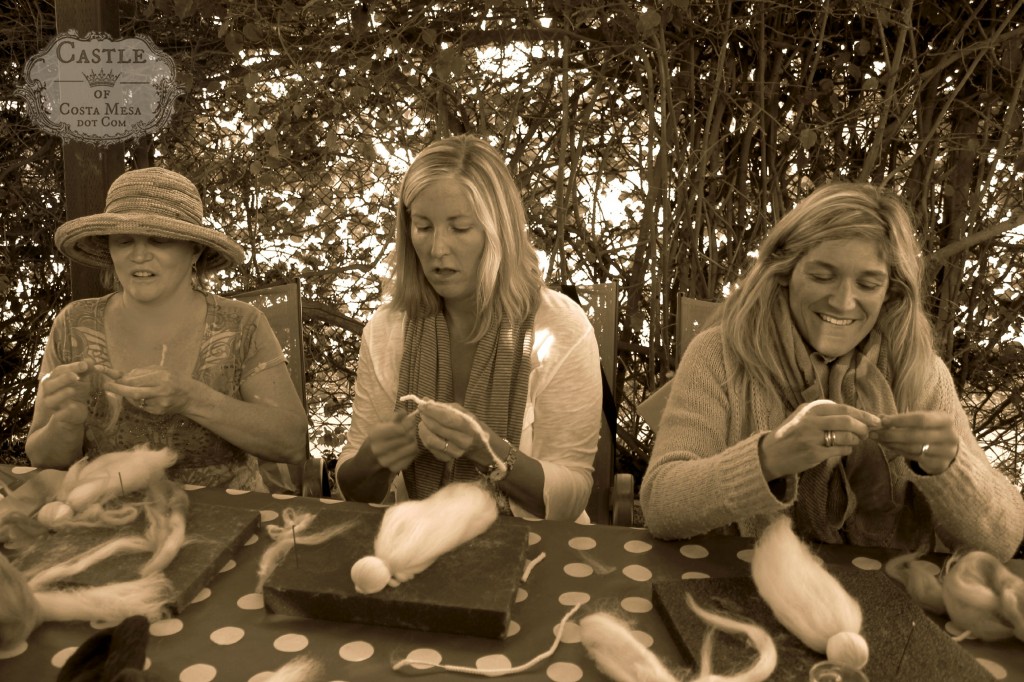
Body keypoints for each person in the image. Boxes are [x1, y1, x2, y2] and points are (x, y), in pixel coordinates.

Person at [641, 182, 1024, 559]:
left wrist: (949, 468)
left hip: (895, 595)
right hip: (746, 585)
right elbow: (661, 504)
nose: (843, 302)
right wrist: (769, 458)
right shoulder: (720, 356)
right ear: (785, 272)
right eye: (822, 276)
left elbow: (1003, 540)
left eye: (868, 283)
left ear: (890, 292)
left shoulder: (920, 374)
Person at [335, 135, 602, 521]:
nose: (437, 248)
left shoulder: (560, 327)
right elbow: (355, 491)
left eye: (459, 228)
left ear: (499, 234)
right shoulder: (387, 331)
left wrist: (489, 451)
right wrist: (374, 459)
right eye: (423, 227)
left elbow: (572, 496)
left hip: (537, 549)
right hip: (418, 542)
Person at [26, 167, 307, 490]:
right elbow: (43, 460)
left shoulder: (241, 325)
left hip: (230, 514)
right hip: (107, 512)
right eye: (124, 240)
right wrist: (66, 422)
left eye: (159, 241)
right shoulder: (75, 323)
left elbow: (291, 443)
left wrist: (191, 398)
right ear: (110, 250)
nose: (139, 255)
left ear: (194, 250)